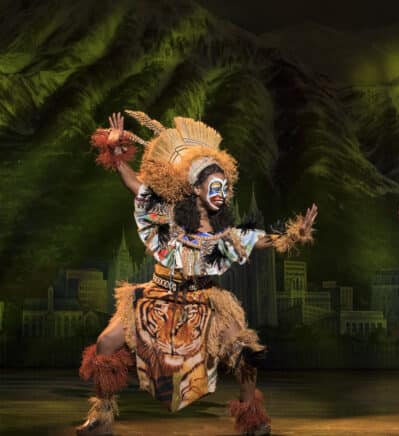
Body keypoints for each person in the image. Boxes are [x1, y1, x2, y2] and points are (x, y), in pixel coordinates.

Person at [77, 111, 318, 436]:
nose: (221, 192)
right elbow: (135, 185)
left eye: (224, 186)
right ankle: (102, 416)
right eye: (214, 186)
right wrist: (116, 150)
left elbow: (260, 238)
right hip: (156, 296)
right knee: (106, 342)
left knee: (243, 351)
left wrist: (295, 232)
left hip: (204, 300)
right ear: (195, 189)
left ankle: (254, 419)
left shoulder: (225, 233)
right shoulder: (169, 213)